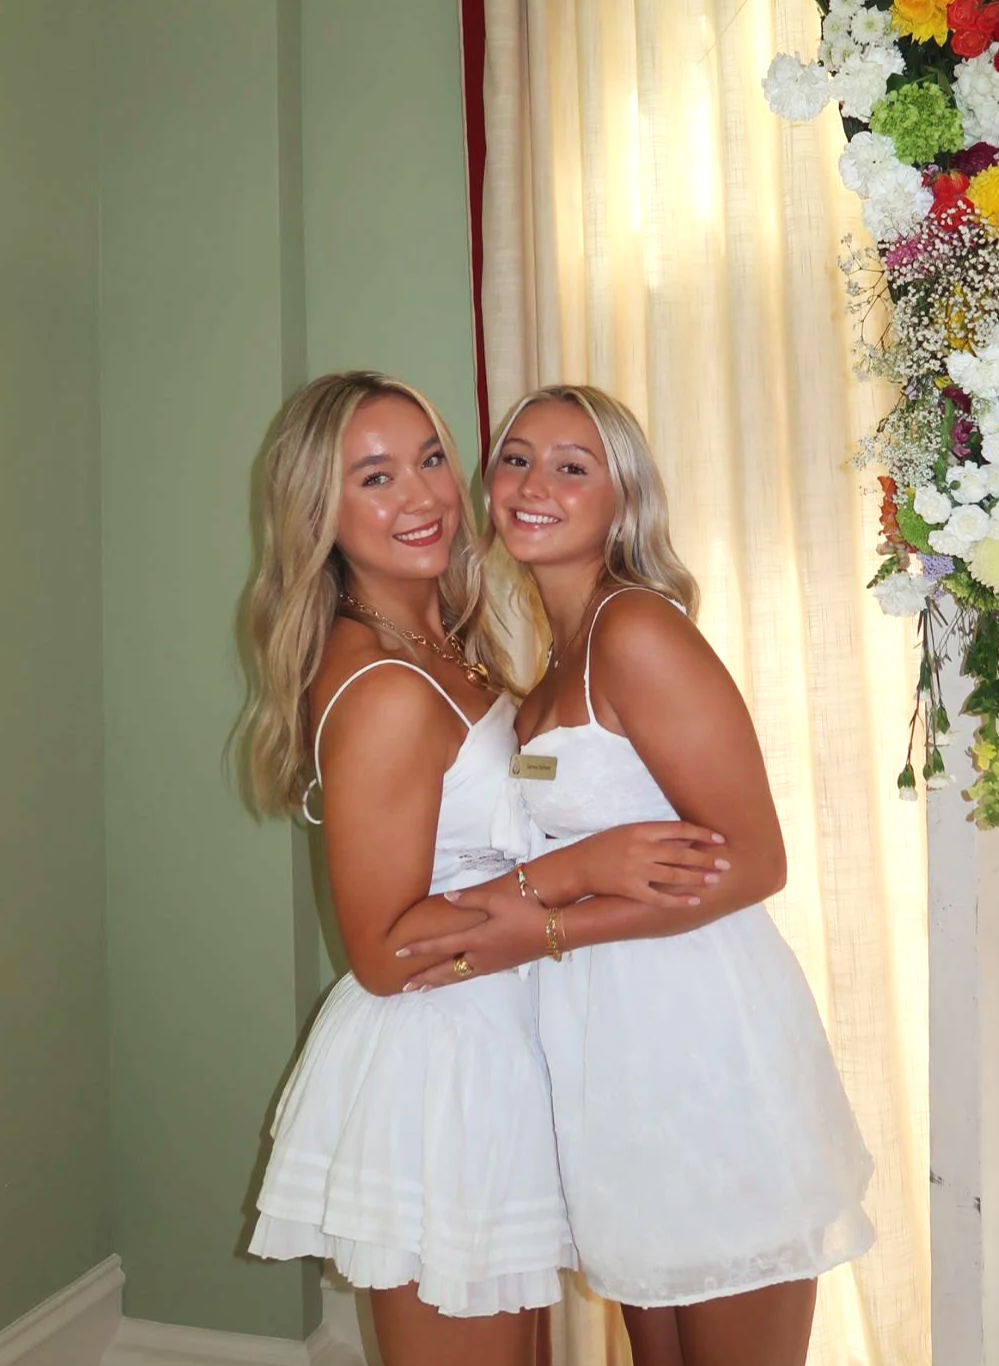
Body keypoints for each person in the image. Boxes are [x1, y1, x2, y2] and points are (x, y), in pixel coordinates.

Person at [239, 372, 729, 1366]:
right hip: (439, 1068)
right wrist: (577, 869)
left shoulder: (444, 647)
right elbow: (381, 952)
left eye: (429, 459)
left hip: (500, 1042)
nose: (420, 497)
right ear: (318, 514)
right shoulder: (381, 686)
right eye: (373, 477)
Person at [397, 384, 875, 1366]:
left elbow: (755, 859)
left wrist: (546, 928)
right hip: (607, 1059)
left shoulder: (636, 632)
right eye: (516, 459)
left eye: (572, 467)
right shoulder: (545, 669)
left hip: (703, 1048)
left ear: (624, 502)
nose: (533, 483)